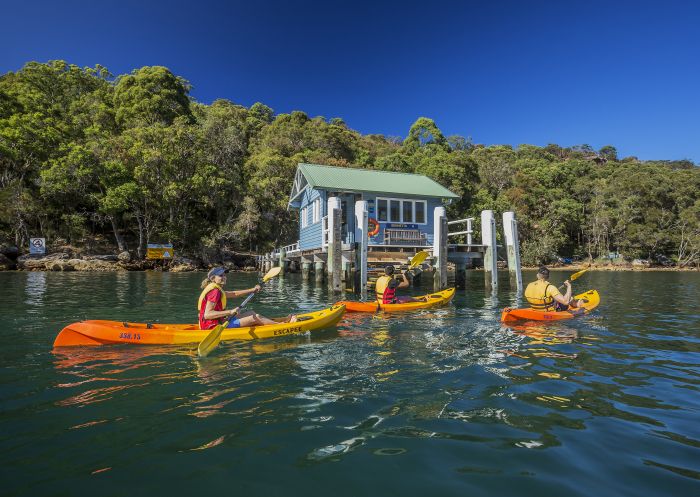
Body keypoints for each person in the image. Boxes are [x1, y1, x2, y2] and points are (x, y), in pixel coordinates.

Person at [198, 267, 296, 330]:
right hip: (213, 327)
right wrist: (230, 312)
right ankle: (281, 327)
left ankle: (282, 321)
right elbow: (207, 315)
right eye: (220, 276)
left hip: (217, 322)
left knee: (251, 313)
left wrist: (252, 289)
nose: (224, 277)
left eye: (224, 275)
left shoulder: (217, 289)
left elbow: (234, 293)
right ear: (213, 279)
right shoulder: (214, 292)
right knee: (255, 317)